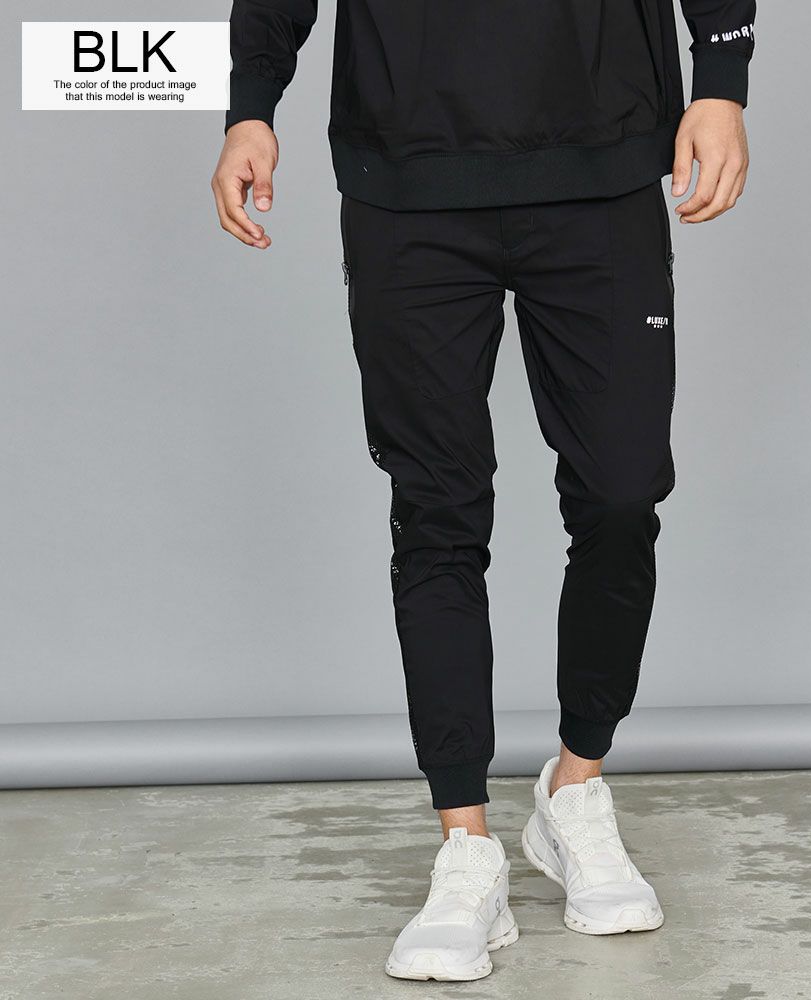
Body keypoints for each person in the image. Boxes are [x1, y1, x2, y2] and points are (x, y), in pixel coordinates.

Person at [213, 0, 755, 982]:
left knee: (621, 494)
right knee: (436, 512)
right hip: (407, 177)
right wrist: (251, 105)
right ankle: (465, 845)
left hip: (602, 165)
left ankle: (574, 788)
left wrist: (721, 81)